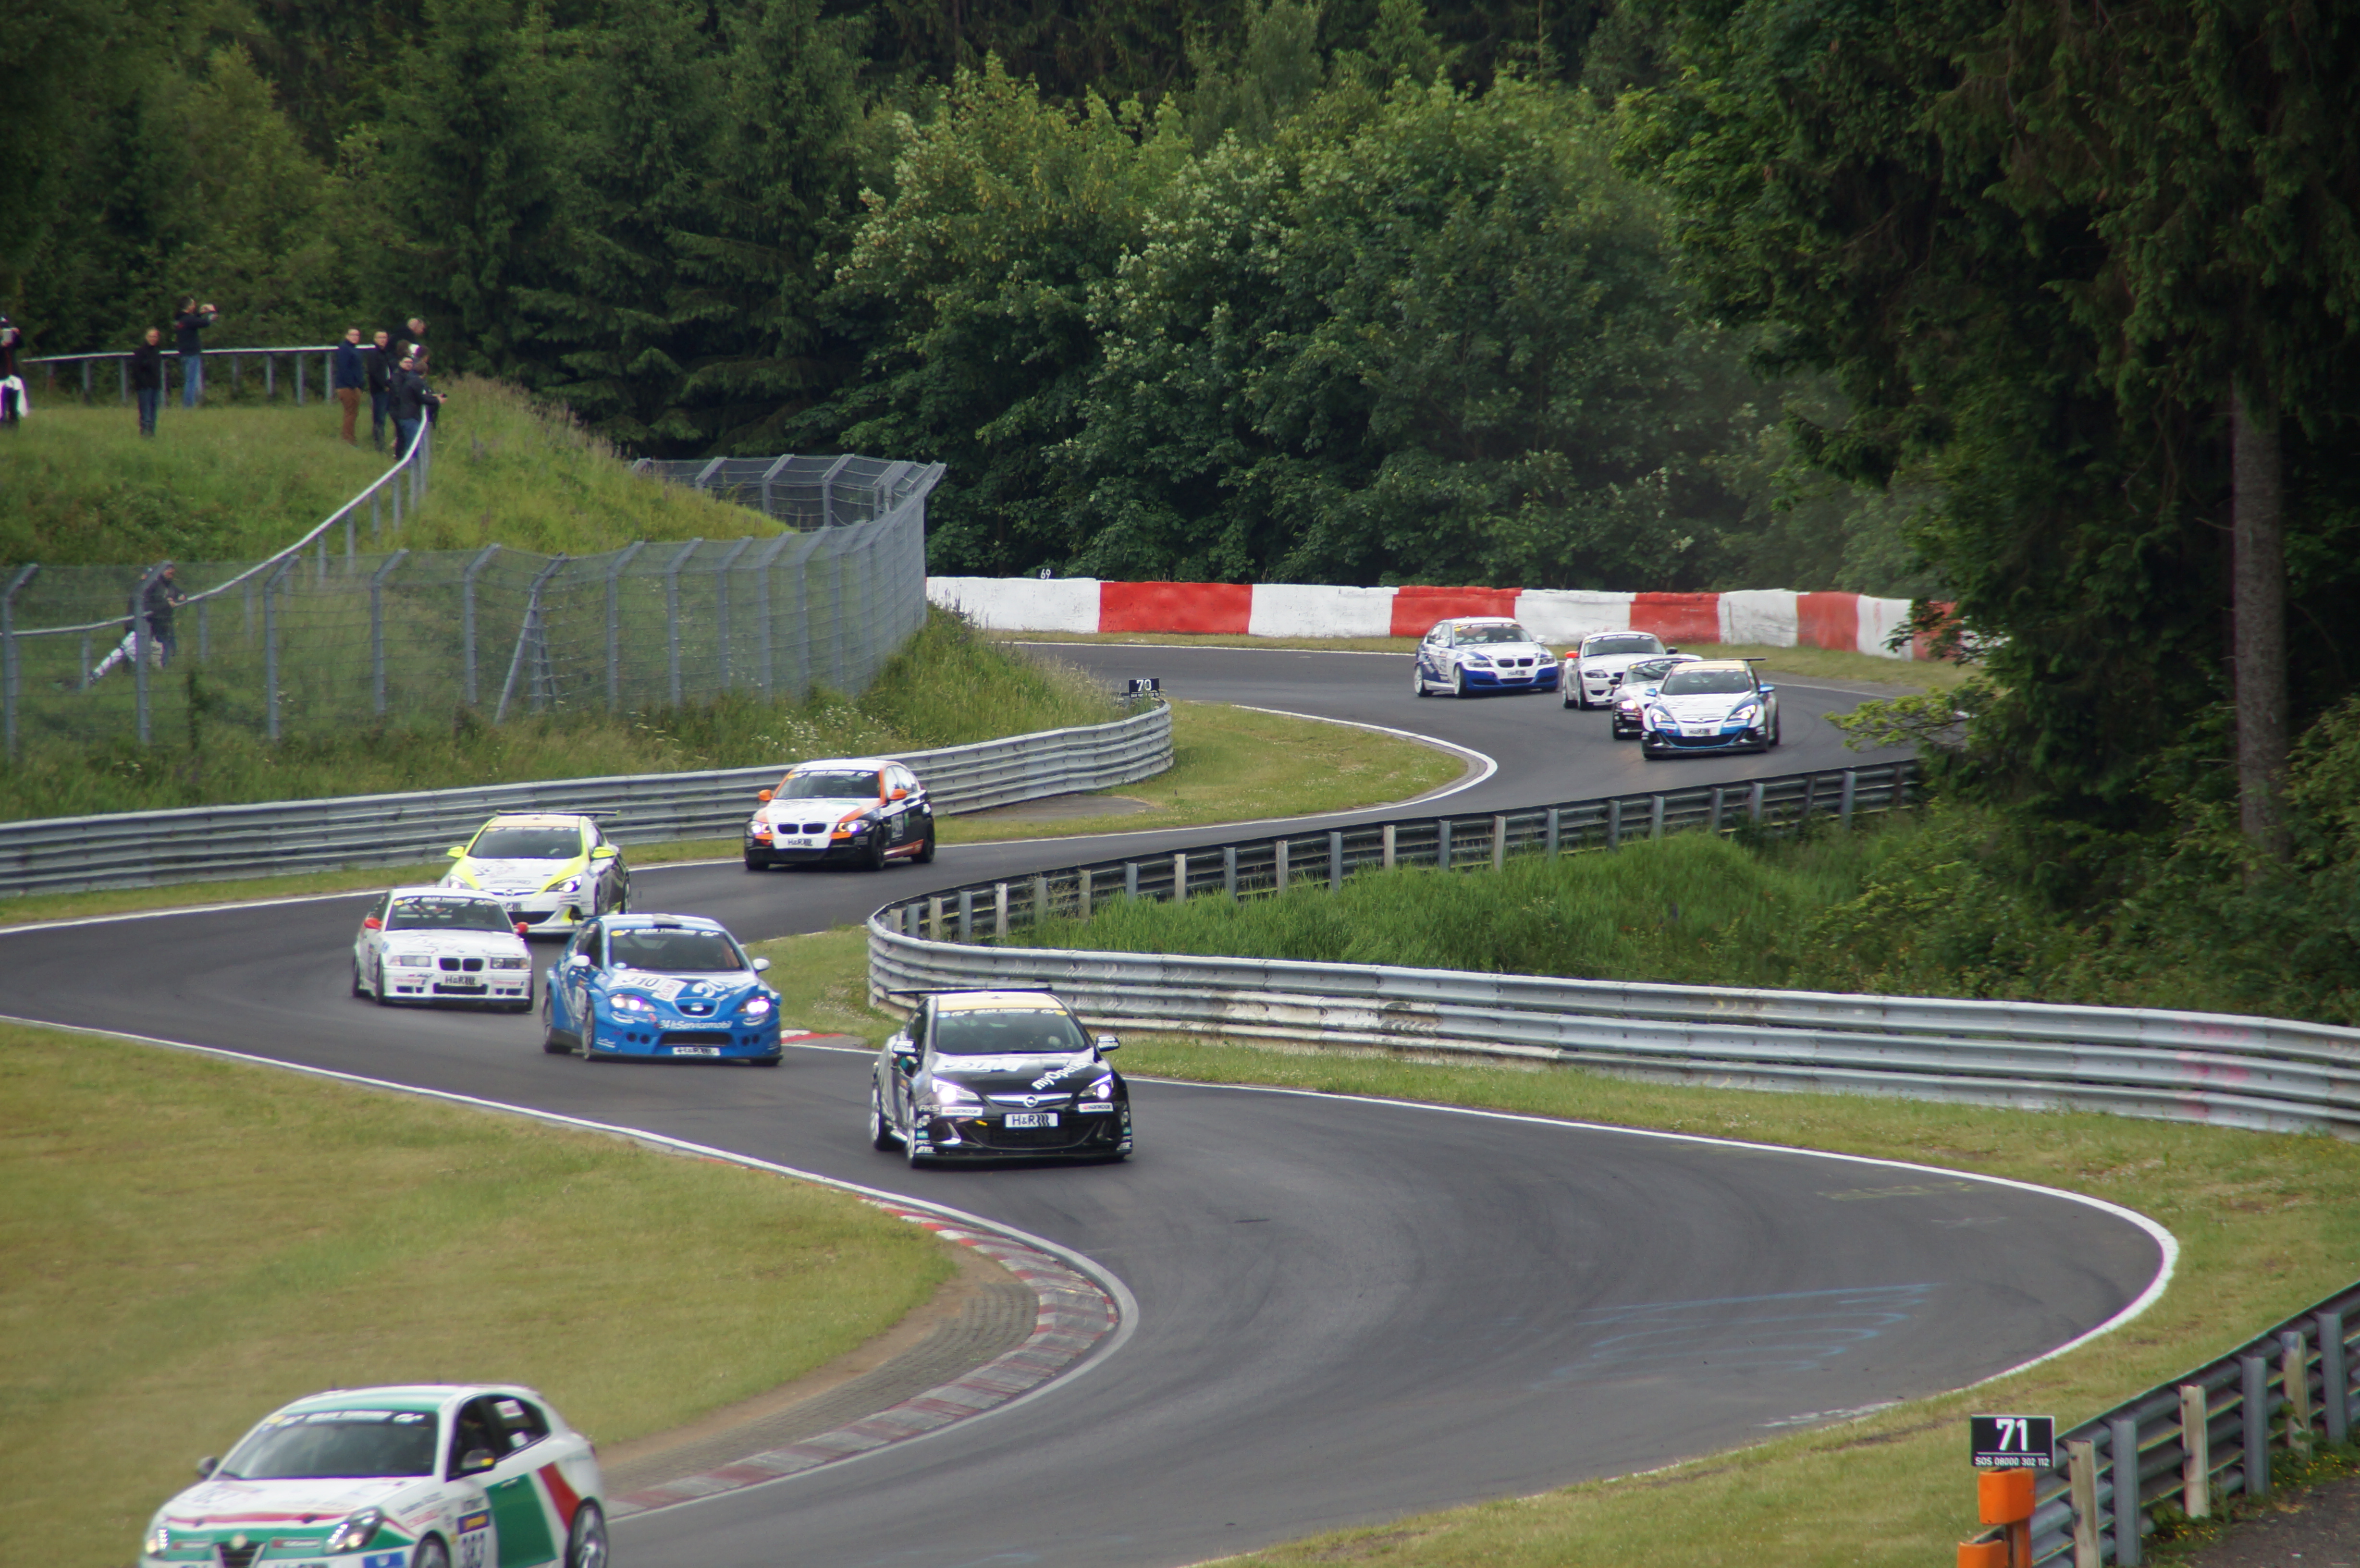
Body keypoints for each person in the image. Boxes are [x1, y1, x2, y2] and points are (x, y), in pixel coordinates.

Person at [87, 564, 185, 682]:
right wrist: (166, 604)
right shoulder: (141, 591)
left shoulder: (153, 589)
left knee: (130, 654)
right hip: (138, 628)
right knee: (123, 651)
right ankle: (96, 674)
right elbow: (146, 608)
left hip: (146, 629)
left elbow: (169, 595)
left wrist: (175, 598)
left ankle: (100, 674)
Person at [390, 354, 444, 459]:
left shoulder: (409, 379)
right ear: (425, 373)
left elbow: (420, 395)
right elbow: (422, 398)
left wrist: (433, 397)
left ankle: (402, 459)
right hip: (409, 416)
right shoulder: (416, 382)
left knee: (406, 441)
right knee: (413, 444)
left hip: (404, 414)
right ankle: (411, 464)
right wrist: (437, 401)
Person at [173, 298, 219, 407]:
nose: (195, 307)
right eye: (193, 305)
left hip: (184, 353)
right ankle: (188, 405)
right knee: (191, 381)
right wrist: (212, 311)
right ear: (189, 307)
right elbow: (205, 323)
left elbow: (193, 322)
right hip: (191, 354)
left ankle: (188, 404)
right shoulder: (188, 320)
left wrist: (200, 314)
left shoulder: (180, 320)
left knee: (188, 380)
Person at [332, 327, 365, 444]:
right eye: (352, 335)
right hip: (347, 387)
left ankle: (351, 437)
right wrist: (352, 384)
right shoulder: (345, 349)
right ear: (347, 336)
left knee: (353, 413)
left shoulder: (354, 349)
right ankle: (348, 439)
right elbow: (344, 368)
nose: (355, 338)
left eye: (357, 335)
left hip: (354, 386)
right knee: (350, 413)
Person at [131, 327, 165, 436]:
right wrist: (143, 383)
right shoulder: (140, 352)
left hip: (155, 386)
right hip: (144, 387)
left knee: (153, 411)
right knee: (146, 412)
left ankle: (152, 433)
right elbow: (137, 370)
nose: (153, 339)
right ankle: (145, 433)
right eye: (151, 337)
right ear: (146, 337)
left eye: (155, 337)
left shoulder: (157, 352)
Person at [365, 329, 394, 450]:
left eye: (385, 338)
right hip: (379, 391)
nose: (383, 340)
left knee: (393, 415)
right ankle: (379, 444)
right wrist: (384, 385)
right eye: (380, 338)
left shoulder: (387, 354)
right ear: (375, 339)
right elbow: (374, 372)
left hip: (389, 390)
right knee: (379, 417)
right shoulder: (373, 354)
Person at [0, 316, 23, 428]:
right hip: (1, 378)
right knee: (1, 404)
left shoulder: (10, 341)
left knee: (13, 404)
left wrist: (17, 335)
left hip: (13, 377)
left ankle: (13, 425)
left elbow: (20, 346)